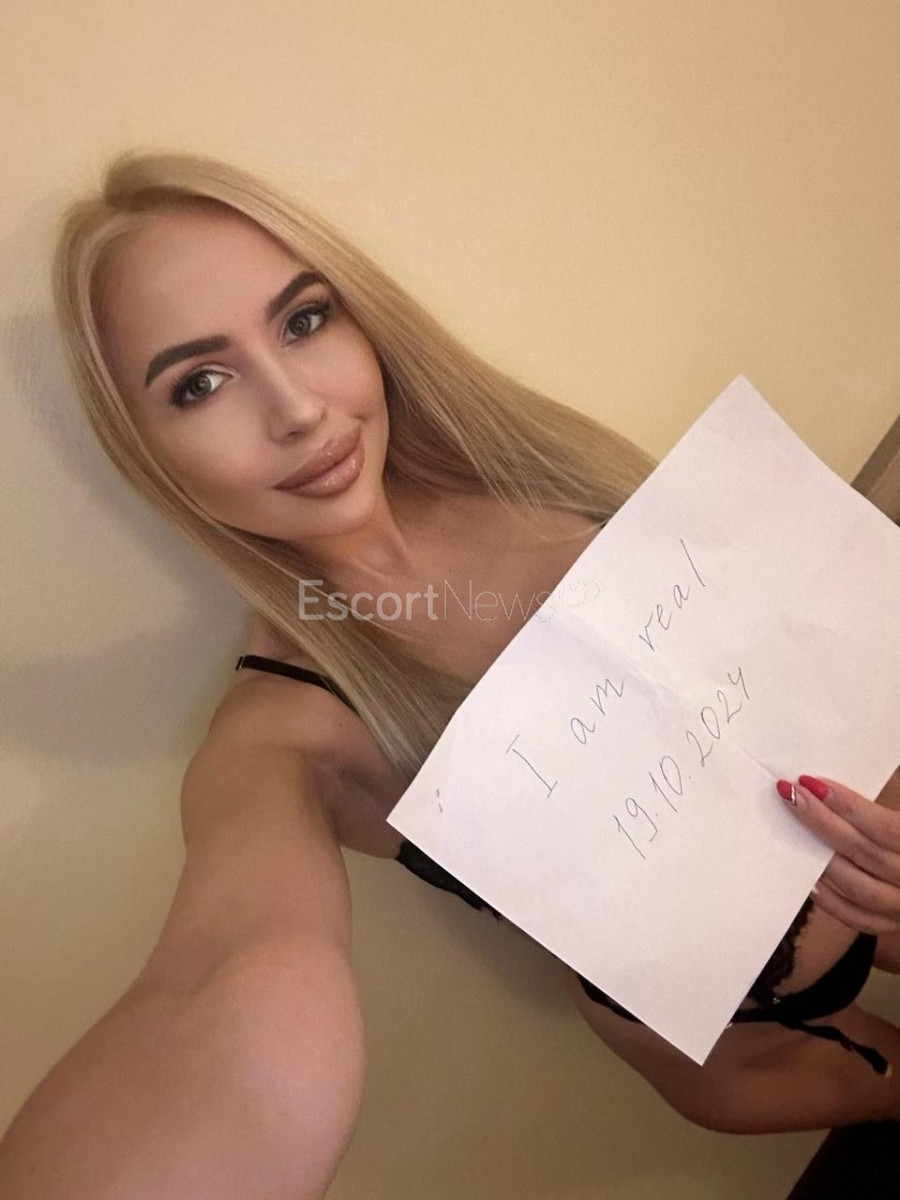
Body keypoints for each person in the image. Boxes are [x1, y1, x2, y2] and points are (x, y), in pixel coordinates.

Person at [2, 150, 900, 1196]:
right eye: (199, 383)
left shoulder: (547, 470)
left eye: (303, 321)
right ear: (151, 454)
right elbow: (222, 980)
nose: (297, 409)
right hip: (763, 1039)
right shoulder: (288, 731)